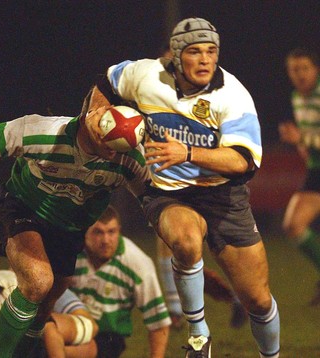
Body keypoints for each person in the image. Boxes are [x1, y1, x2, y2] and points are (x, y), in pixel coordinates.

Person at [85, 17, 280, 358]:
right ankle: (198, 335)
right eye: (195, 51)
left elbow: (243, 162)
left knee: (258, 301)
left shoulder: (232, 96)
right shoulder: (145, 75)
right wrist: (96, 112)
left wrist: (188, 152)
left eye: (211, 51)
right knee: (186, 241)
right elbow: (107, 79)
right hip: (167, 191)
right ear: (176, 55)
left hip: (223, 196)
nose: (205, 59)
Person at [0, 93, 150, 357]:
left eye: (118, 149)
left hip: (70, 227)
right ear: (90, 121)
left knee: (46, 305)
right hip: (23, 206)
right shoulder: (41, 132)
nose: (113, 152)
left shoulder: (128, 157)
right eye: (109, 145)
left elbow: (154, 199)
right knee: (38, 281)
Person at [154, 44, 247, 330]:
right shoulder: (158, 97)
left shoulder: (214, 94)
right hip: (177, 182)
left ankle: (237, 297)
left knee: (214, 252)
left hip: (211, 183)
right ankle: (177, 309)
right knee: (176, 245)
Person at [0, 246, 99, 358]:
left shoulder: (10, 282)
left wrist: (77, 309)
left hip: (28, 346)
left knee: (82, 343)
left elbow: (52, 295)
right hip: (18, 351)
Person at [70, 205, 171, 358]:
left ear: (119, 230)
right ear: (85, 232)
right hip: (69, 328)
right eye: (98, 232)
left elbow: (159, 322)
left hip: (107, 338)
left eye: (111, 232)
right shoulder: (71, 254)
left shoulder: (138, 263)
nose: (105, 240)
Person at [278, 47, 320, 305]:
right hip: (317, 171)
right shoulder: (297, 97)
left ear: (316, 69)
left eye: (305, 68)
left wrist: (301, 138)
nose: (300, 74)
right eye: (294, 69)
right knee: (293, 225)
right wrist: (302, 146)